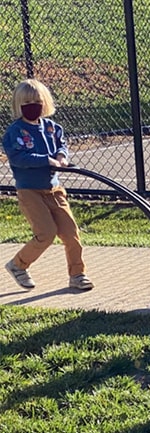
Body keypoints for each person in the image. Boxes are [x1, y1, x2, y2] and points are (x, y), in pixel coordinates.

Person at [2, 78, 93, 290]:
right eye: (26, 103)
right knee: (46, 233)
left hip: (54, 189)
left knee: (71, 233)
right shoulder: (15, 132)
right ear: (19, 105)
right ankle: (18, 265)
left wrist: (61, 157)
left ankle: (77, 274)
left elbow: (62, 145)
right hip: (30, 191)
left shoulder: (52, 128)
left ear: (45, 102)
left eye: (36, 101)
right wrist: (46, 160)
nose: (32, 106)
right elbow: (18, 158)